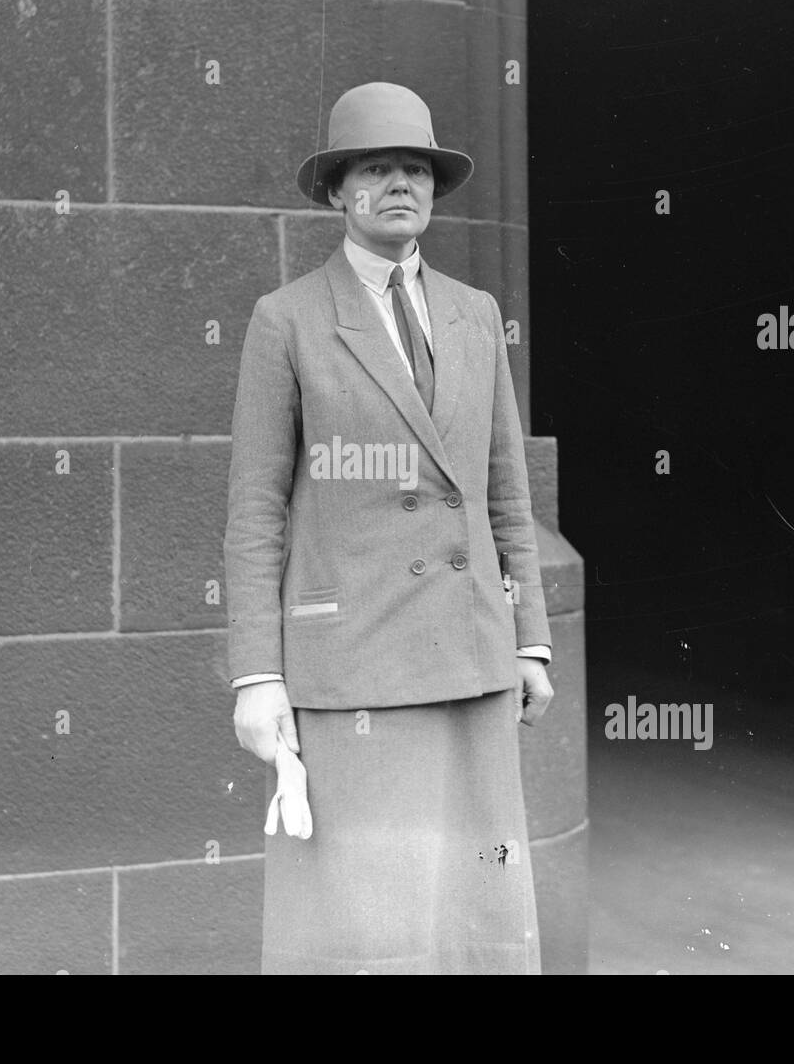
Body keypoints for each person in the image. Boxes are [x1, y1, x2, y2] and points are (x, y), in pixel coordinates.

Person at [224, 82, 555, 973]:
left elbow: (503, 493)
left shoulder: (475, 313)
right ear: (339, 193)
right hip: (352, 662)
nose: (400, 184)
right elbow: (255, 509)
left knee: (478, 898)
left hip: (470, 650)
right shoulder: (286, 319)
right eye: (376, 169)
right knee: (363, 918)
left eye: (415, 168)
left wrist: (529, 639)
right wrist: (257, 676)